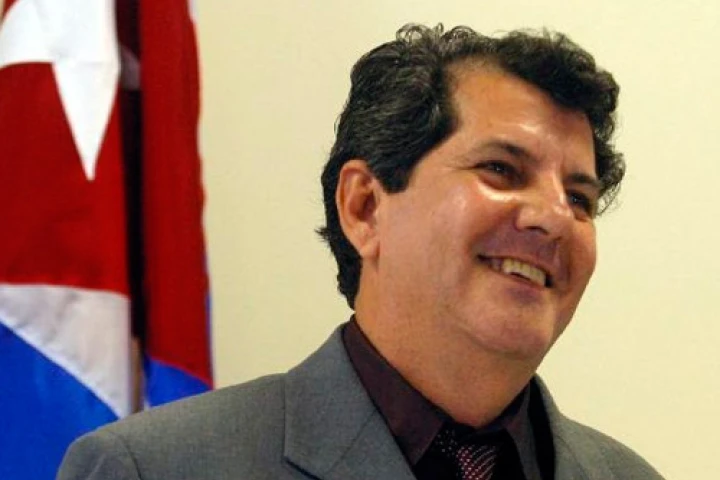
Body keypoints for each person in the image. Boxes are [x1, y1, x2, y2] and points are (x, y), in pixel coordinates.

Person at [57, 24, 665, 479]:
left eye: (580, 198)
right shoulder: (154, 468)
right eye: (502, 169)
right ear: (365, 207)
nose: (554, 217)